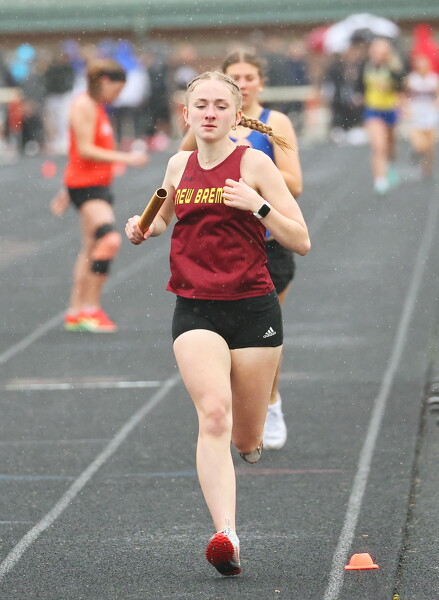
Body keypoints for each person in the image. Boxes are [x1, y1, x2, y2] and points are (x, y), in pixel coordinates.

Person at [125, 70, 310, 576]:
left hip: (253, 310)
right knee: (212, 416)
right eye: (201, 105)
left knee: (246, 440)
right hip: (195, 308)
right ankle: (226, 534)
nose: (209, 113)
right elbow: (160, 217)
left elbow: (300, 239)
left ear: (236, 115)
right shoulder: (178, 164)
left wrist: (258, 205)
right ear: (186, 115)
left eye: (220, 106)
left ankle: (250, 446)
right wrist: (142, 228)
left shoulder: (253, 163)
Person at [179, 49, 303, 451]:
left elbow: (295, 183)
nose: (244, 83)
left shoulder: (274, 123)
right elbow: (184, 165)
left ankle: (270, 401)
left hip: (267, 246)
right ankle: (235, 407)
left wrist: (248, 169)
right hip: (217, 251)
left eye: (250, 77)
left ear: (260, 83)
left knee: (262, 333)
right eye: (237, 77)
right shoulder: (207, 123)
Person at [50, 58, 149, 332]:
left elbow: (77, 153)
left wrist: (65, 189)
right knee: (109, 239)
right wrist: (127, 157)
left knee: (89, 249)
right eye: (117, 89)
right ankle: (91, 309)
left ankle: (75, 311)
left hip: (94, 186)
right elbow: (84, 149)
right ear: (105, 81)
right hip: (87, 188)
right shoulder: (83, 105)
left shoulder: (96, 107)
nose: (118, 96)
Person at [356, 37, 405, 195]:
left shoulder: (392, 68)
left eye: (381, 53)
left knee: (390, 146)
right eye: (375, 52)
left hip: (390, 110)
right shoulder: (365, 66)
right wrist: (359, 98)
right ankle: (380, 179)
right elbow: (359, 86)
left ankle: (389, 166)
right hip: (373, 110)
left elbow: (401, 86)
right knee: (379, 146)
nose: (377, 55)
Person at [404, 54, 439, 179]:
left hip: (430, 115)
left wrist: (436, 105)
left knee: (430, 146)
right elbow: (405, 95)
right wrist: (406, 108)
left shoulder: (433, 79)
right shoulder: (411, 80)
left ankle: (426, 169)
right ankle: (417, 151)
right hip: (417, 115)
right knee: (420, 144)